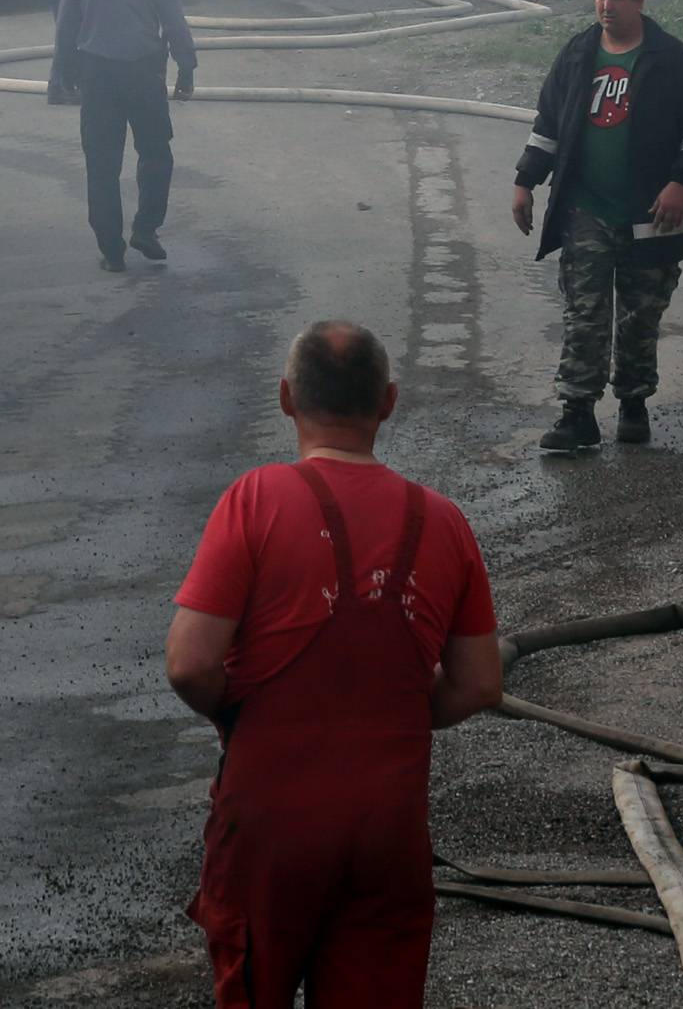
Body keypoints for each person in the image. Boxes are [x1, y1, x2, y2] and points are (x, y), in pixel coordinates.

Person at [167, 322, 501, 1009]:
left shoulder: (253, 501)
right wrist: (402, 709)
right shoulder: (444, 521)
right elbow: (478, 682)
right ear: (389, 401)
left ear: (287, 397)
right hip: (388, 830)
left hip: (269, 827)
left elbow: (189, 664)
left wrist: (240, 710)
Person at [512, 0, 683, 454]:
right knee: (584, 312)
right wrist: (524, 181)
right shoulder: (579, 53)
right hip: (587, 209)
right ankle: (577, 413)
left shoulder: (671, 60)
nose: (605, 6)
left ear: (640, 0)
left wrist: (681, 182)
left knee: (640, 314)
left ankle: (633, 404)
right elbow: (548, 125)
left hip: (652, 214)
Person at [51, 0, 196, 271]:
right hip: (144, 72)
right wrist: (187, 67)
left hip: (97, 74)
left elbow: (66, 26)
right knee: (155, 153)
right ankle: (146, 229)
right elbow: (175, 24)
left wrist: (64, 74)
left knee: (101, 162)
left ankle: (111, 249)